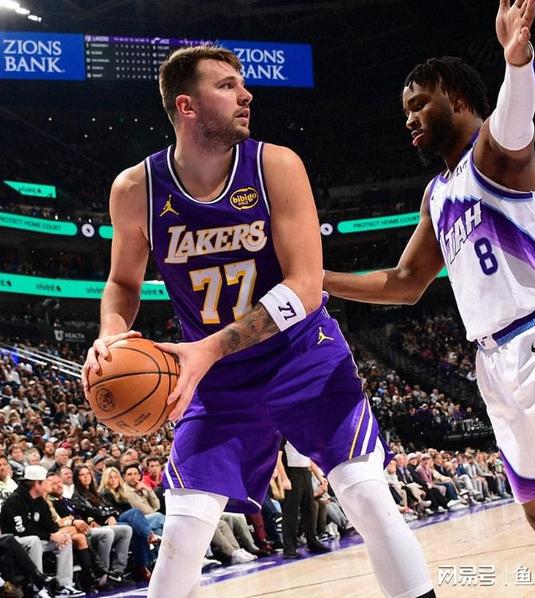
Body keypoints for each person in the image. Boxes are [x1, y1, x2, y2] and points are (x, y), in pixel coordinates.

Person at [323, 0, 535, 592]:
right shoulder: (436, 193)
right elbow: (405, 282)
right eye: (405, 111)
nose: (409, 119)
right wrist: (318, 280)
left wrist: (517, 62)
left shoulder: (495, 152)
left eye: (418, 104)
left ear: (456, 98)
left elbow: (516, 115)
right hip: (495, 362)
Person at [81, 45, 435, 598]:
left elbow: (306, 286)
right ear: (186, 105)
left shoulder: (276, 165)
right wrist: (111, 331)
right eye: (226, 86)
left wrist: (210, 348)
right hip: (216, 380)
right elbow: (123, 283)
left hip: (302, 355)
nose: (246, 95)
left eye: (241, 84)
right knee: (183, 529)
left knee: (365, 492)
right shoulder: (136, 189)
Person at [0, 465, 85, 597]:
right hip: (15, 542)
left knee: (65, 537)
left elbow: (50, 526)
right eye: (45, 481)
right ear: (37, 484)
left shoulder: (40, 501)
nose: (48, 484)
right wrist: (50, 536)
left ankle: (64, 584)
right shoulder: (14, 501)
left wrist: (57, 534)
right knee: (34, 541)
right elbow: (21, 531)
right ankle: (38, 587)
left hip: (37, 540)